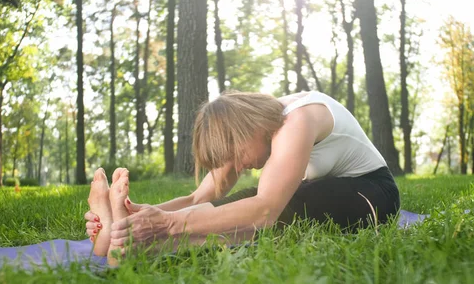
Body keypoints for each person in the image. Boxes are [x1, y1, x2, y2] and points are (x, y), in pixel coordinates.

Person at [84, 91, 400, 258]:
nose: (236, 166)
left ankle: (137, 248)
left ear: (244, 130)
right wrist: (138, 215)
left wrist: (168, 224)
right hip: (323, 191)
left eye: (235, 155)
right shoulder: (249, 131)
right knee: (243, 205)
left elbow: (264, 210)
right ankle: (120, 238)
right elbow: (201, 197)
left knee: (271, 209)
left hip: (372, 193)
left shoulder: (297, 120)